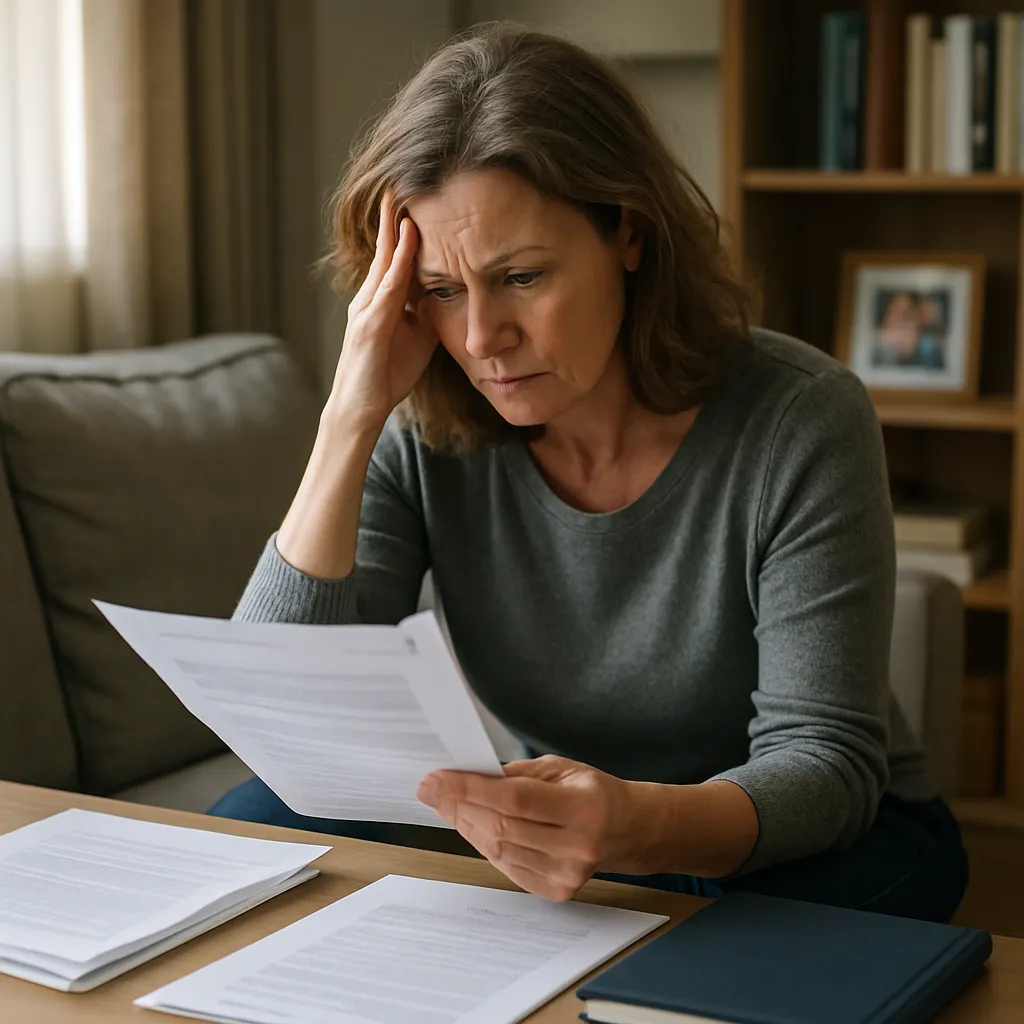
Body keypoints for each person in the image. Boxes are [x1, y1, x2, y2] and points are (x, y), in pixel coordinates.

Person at [210, 24, 968, 922]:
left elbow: (825, 765)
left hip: (810, 838)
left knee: (681, 916)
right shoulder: (422, 427)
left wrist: (637, 827)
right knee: (252, 825)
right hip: (590, 830)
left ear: (628, 233)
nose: (482, 339)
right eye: (443, 291)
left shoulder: (801, 416)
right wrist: (350, 415)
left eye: (522, 277)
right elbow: (277, 719)